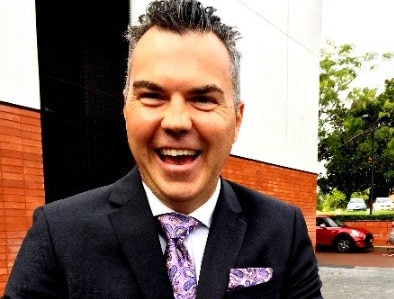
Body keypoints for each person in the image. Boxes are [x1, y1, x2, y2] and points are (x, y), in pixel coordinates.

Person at [3, 0, 323, 298]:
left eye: (203, 99)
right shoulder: (59, 234)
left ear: (237, 120)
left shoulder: (283, 229)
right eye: (153, 96)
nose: (176, 122)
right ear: (126, 109)